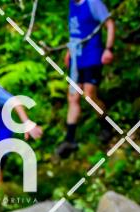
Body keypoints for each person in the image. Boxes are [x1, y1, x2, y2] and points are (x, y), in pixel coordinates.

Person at [56, 0, 115, 158]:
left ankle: (106, 125)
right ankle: (70, 139)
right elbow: (74, 31)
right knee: (73, 97)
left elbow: (109, 24)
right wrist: (69, 51)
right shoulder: (72, 4)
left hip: (92, 56)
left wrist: (109, 49)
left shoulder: (93, 3)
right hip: (77, 59)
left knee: (89, 95)